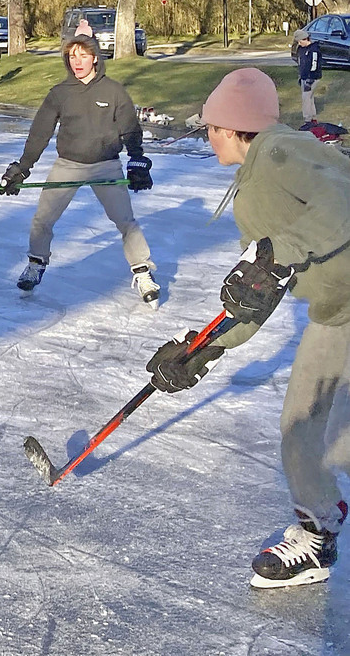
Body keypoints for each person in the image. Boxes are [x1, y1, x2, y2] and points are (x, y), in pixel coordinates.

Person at [146, 67, 348, 588]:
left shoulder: (281, 152)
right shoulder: (256, 180)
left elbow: (343, 202)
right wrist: (201, 350)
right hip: (339, 314)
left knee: (323, 434)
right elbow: (257, 293)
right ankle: (319, 529)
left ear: (233, 128)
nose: (207, 134)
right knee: (304, 427)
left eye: (211, 126)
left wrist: (279, 253)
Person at [1, 19, 160, 304]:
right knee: (42, 219)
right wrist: (22, 167)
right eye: (72, 56)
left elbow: (130, 129)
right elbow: (40, 133)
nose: (77, 61)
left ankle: (143, 271)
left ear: (95, 57)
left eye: (83, 55)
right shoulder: (60, 94)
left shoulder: (113, 91)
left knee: (126, 221)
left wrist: (137, 161)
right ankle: (36, 264)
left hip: (106, 165)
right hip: (68, 165)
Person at [296, 30, 321, 123]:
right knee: (310, 97)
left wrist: (310, 79)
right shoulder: (301, 49)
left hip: (312, 78)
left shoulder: (314, 49)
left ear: (305, 39)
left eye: (300, 41)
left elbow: (314, 65)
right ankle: (313, 118)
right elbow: (301, 63)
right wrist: (301, 76)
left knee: (306, 97)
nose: (299, 43)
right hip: (304, 77)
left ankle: (307, 119)